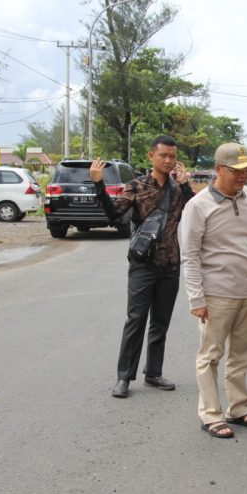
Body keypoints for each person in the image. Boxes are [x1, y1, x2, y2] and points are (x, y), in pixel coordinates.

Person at [181, 142, 247, 439]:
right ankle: (211, 414)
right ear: (218, 170)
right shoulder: (198, 206)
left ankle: (238, 408)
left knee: (243, 353)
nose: (243, 176)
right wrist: (196, 297)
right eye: (236, 171)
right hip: (216, 294)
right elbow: (190, 255)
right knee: (210, 355)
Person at [90, 135, 194, 398]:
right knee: (135, 320)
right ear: (151, 157)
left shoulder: (178, 189)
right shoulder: (135, 186)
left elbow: (195, 213)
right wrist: (98, 184)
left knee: (161, 323)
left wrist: (187, 186)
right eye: (163, 156)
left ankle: (153, 373)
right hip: (143, 265)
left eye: (173, 156)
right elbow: (113, 214)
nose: (169, 160)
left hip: (170, 264)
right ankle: (124, 377)